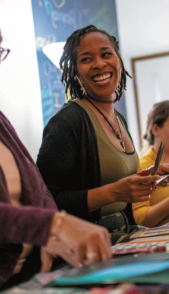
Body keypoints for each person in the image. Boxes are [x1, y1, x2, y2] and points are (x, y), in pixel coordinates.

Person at [37, 25, 169, 242]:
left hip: (126, 234)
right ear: (75, 70)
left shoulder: (119, 120)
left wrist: (145, 177)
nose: (99, 64)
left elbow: (114, 180)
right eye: (86, 59)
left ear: (118, 60)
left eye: (106, 54)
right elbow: (45, 200)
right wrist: (114, 193)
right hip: (88, 245)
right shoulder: (68, 122)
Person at [0, 29, 111, 289]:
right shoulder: (68, 120)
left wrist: (55, 239)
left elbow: (39, 189)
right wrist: (53, 225)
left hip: (33, 274)